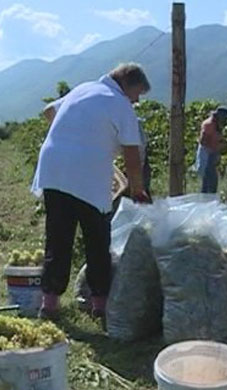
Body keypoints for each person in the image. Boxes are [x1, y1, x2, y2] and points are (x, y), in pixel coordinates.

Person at [31, 62, 151, 320]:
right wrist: (138, 191)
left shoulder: (83, 89)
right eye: (137, 94)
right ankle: (100, 305)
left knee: (58, 237)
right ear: (127, 84)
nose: (137, 101)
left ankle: (49, 304)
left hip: (53, 168)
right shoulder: (120, 104)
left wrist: (76, 135)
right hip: (88, 173)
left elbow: (49, 111)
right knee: (97, 239)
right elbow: (132, 154)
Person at [195, 107, 227, 193]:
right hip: (206, 152)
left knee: (212, 178)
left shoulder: (218, 125)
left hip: (213, 152)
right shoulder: (209, 125)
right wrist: (214, 148)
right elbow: (203, 140)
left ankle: (210, 196)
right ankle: (206, 197)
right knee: (207, 176)